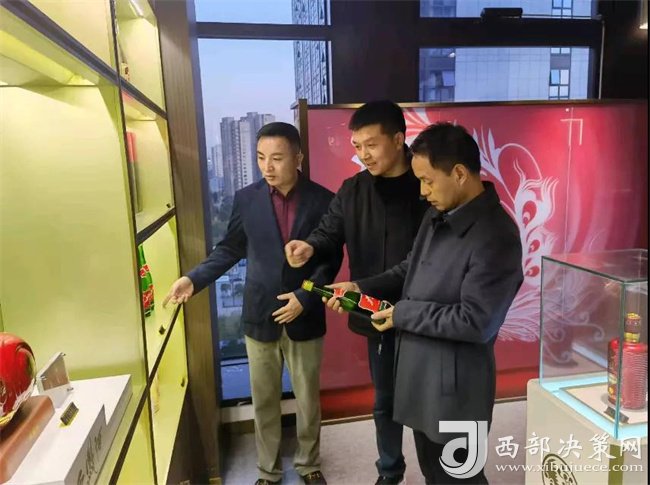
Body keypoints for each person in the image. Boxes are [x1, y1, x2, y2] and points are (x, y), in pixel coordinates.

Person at [332, 122, 524, 484]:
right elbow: (409, 268)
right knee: (433, 472)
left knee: (461, 476)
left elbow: (477, 321)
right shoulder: (438, 215)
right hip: (421, 377)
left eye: (428, 181)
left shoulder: (496, 236)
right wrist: (359, 288)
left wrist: (402, 314)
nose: (422, 192)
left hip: (456, 390)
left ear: (460, 173)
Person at [164, 122, 341, 485]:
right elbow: (230, 248)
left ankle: (308, 464)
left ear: (298, 158)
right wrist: (193, 279)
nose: (267, 167)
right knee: (264, 399)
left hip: (304, 313)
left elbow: (331, 259)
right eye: (261, 157)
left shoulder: (324, 199)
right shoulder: (246, 199)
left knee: (308, 399)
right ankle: (267, 471)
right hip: (260, 312)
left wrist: (306, 297)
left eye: (277, 158)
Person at [285, 100, 429, 485]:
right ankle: (390, 472)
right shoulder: (353, 189)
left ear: (398, 139)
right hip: (374, 310)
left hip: (424, 313)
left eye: (371, 144)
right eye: (357, 146)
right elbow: (329, 231)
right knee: (384, 402)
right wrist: (310, 246)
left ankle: (440, 473)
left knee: (428, 402)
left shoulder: (426, 184)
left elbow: (423, 260)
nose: (363, 154)